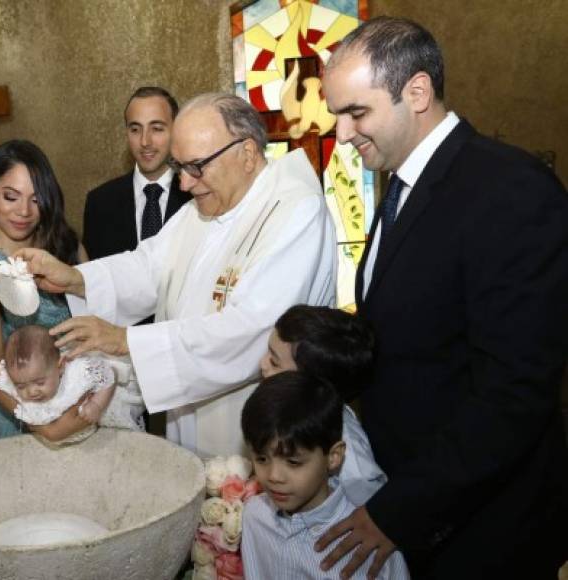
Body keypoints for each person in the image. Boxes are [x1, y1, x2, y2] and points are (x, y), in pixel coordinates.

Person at [317, 17, 568, 579]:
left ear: (418, 92)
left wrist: (399, 512)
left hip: (488, 525)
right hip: (418, 499)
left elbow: (514, 393)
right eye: (337, 114)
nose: (342, 133)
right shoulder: (402, 187)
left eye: (356, 112)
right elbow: (409, 332)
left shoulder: (509, 189)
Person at [18, 93, 336, 457]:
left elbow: (257, 329)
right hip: (190, 416)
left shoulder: (295, 212)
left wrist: (128, 341)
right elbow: (150, 265)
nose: (184, 184)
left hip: (267, 429)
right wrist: (77, 279)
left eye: (196, 166)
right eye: (179, 166)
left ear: (247, 154)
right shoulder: (206, 207)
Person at [0, 140, 91, 444]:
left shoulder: (68, 247)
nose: (24, 211)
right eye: (11, 197)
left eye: (35, 199)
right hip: (16, 419)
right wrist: (43, 425)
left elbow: (96, 321)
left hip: (79, 406)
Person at [240, 372, 411, 579]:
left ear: (333, 456)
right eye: (261, 459)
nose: (274, 476)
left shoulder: (369, 538)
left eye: (293, 462)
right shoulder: (256, 517)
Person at [260, 304, 386, 506]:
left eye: (274, 362)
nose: (262, 364)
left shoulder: (352, 459)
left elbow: (371, 504)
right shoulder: (299, 408)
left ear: (314, 385)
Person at [82, 86, 190, 260]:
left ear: (175, 130)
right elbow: (97, 277)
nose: (145, 141)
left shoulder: (196, 196)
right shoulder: (100, 203)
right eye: (135, 129)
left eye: (156, 128)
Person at [0, 325, 144, 434]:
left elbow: (109, 374)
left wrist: (97, 405)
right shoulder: (17, 379)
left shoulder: (77, 373)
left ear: (60, 367)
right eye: (20, 386)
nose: (31, 391)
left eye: (40, 383)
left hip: (100, 416)